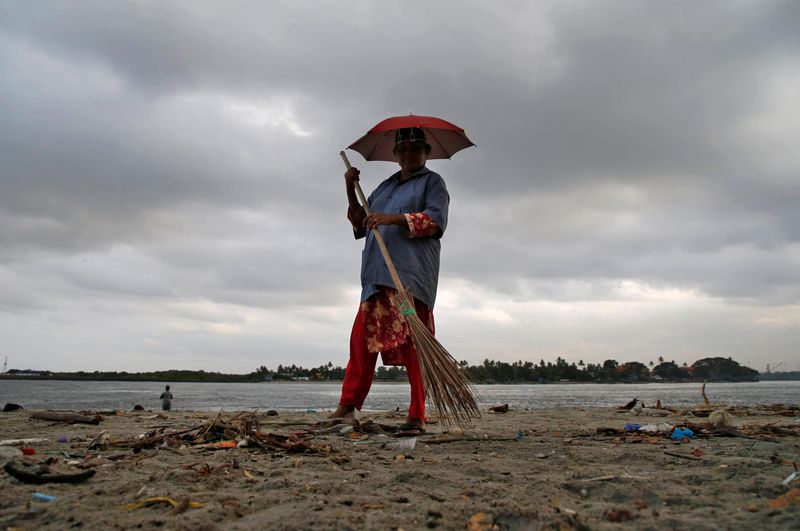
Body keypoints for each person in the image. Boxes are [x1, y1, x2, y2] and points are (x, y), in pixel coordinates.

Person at [330, 127, 449, 432]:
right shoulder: (384, 187)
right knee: (361, 343)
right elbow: (360, 225)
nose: (408, 154)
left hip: (409, 277)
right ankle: (348, 406)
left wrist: (393, 219)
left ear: (426, 153)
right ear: (395, 155)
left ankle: (417, 414)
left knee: (414, 346)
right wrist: (349, 187)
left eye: (415, 149)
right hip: (375, 275)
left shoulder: (433, 183)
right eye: (403, 150)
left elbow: (434, 222)